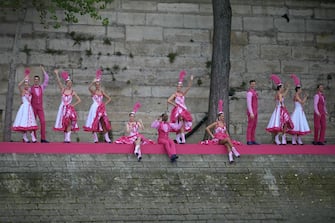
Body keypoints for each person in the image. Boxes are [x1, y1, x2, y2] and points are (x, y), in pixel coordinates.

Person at [203, 100, 240, 164]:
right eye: (222, 116)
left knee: (227, 144)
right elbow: (207, 128)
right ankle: (235, 151)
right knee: (227, 140)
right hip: (218, 139)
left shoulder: (224, 124)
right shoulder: (216, 123)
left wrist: (228, 136)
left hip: (224, 139)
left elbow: (226, 132)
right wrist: (212, 135)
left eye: (223, 116)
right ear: (219, 117)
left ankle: (231, 158)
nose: (223, 117)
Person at [83, 70, 112, 143]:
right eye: (96, 84)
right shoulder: (93, 92)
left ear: (100, 84)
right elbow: (89, 88)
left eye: (98, 84)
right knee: (94, 123)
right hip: (95, 108)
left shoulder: (102, 92)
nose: (97, 85)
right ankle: (95, 138)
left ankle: (107, 138)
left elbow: (109, 98)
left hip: (101, 108)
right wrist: (93, 82)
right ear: (95, 85)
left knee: (104, 122)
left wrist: (104, 104)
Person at [53, 69, 81, 143]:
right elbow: (59, 82)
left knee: (69, 122)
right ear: (66, 83)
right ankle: (65, 138)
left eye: (71, 83)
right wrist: (56, 74)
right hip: (62, 108)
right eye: (69, 82)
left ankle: (68, 138)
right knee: (64, 122)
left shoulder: (72, 92)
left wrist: (72, 105)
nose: (70, 84)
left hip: (69, 109)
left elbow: (79, 100)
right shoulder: (63, 90)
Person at [266, 74, 294, 145]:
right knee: (279, 123)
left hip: (282, 109)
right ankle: (277, 138)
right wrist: (281, 97)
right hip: (279, 109)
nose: (283, 88)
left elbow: (283, 95)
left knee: (285, 123)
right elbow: (280, 100)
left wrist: (287, 88)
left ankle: (283, 137)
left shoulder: (280, 93)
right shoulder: (278, 93)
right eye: (282, 88)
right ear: (279, 88)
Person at [12, 68, 38, 142]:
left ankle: (33, 137)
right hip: (24, 109)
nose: (26, 86)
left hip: (29, 109)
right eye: (25, 85)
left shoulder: (30, 92)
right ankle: (25, 137)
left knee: (30, 123)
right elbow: (19, 85)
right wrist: (25, 78)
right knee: (24, 124)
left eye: (27, 85)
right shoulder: (22, 91)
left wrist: (28, 78)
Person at [167, 70, 193, 144]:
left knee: (181, 124)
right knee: (180, 123)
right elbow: (168, 100)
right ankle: (183, 139)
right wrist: (175, 105)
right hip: (178, 110)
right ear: (177, 87)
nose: (179, 88)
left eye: (180, 87)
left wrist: (191, 80)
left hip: (183, 110)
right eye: (178, 86)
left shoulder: (182, 94)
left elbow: (188, 88)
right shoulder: (175, 94)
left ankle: (178, 138)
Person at [287, 74, 311, 145]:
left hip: (300, 111)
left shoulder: (298, 95)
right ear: (298, 89)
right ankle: (294, 139)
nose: (301, 90)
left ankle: (299, 139)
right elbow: (302, 102)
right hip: (297, 112)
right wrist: (306, 97)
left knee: (300, 124)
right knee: (296, 124)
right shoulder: (296, 95)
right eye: (300, 89)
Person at [30, 65, 49, 143]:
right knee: (33, 123)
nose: (36, 81)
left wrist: (43, 70)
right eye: (35, 79)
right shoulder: (31, 88)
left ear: (39, 80)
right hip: (33, 107)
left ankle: (43, 138)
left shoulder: (42, 87)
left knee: (43, 121)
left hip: (40, 107)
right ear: (34, 80)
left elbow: (47, 78)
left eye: (37, 79)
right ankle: (34, 138)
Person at [246, 79, 259, 145]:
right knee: (250, 126)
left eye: (254, 84)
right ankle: (248, 140)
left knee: (254, 126)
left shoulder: (254, 92)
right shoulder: (249, 93)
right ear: (250, 84)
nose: (253, 85)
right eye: (252, 84)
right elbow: (249, 103)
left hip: (255, 111)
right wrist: (251, 112)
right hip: (252, 112)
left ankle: (253, 139)